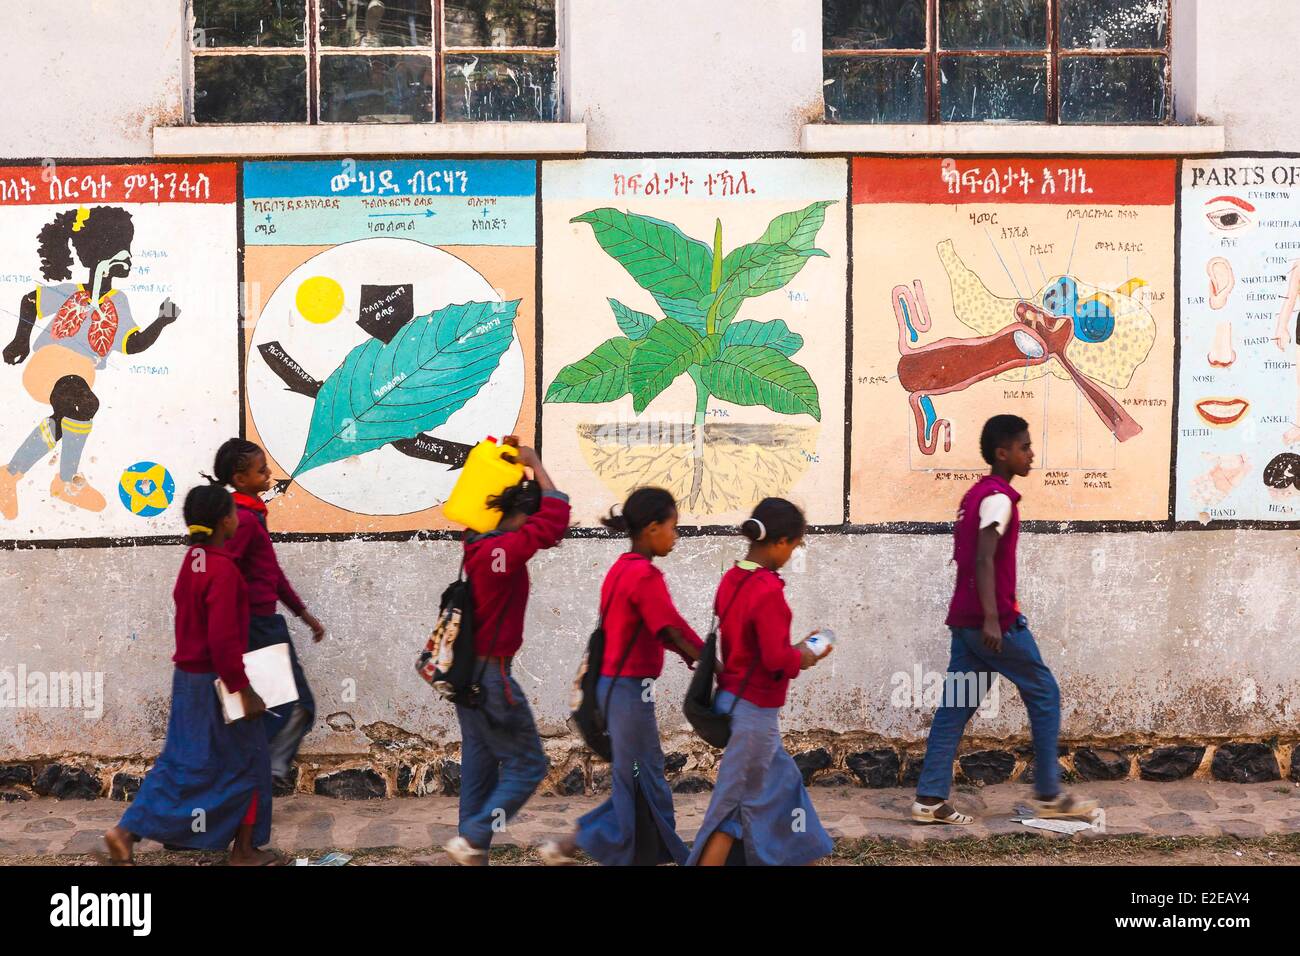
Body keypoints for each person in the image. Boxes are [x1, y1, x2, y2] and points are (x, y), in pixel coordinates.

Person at [911, 414, 1097, 825]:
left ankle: (929, 798)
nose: (1031, 454)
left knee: (955, 706)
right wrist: (995, 619)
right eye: (1024, 447)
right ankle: (1048, 794)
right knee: (1044, 692)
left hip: (965, 620)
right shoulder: (997, 498)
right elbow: (983, 557)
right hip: (991, 623)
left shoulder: (976, 494)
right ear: (1003, 453)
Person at [102, 483, 278, 865]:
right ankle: (244, 850)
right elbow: (222, 639)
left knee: (180, 762)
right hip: (216, 682)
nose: (237, 518)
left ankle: (125, 831)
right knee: (251, 761)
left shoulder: (193, 559)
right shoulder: (224, 570)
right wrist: (242, 689)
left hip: (187, 679)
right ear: (224, 521)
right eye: (233, 511)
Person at [540, 488, 703, 866]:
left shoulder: (621, 569)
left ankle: (658, 853)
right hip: (629, 694)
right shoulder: (643, 575)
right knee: (640, 781)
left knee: (641, 780)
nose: (675, 536)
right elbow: (671, 631)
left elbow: (668, 626)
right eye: (672, 527)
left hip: (615, 692)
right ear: (651, 528)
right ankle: (575, 843)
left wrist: (701, 657)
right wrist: (713, 666)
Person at [0, 205, 179, 518]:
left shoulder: (119, 302)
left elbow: (131, 343)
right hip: (49, 365)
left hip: (79, 376)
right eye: (123, 250)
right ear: (101, 254)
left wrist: (161, 322)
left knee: (72, 415)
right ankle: (65, 481)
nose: (129, 258)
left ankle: (12, 475)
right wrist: (21, 340)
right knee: (81, 401)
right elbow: (30, 300)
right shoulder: (71, 293)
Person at [687, 497, 834, 867]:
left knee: (787, 791)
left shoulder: (733, 577)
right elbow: (774, 659)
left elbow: (751, 647)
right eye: (795, 546)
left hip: (733, 703)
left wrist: (793, 648)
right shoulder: (768, 590)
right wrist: (806, 653)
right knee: (730, 809)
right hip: (755, 716)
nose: (793, 554)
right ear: (781, 542)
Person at [445, 438, 570, 865]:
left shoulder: (477, 543)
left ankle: (470, 849)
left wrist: (511, 470)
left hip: (467, 679)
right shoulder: (501, 552)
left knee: (480, 769)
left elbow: (544, 526)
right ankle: (477, 836)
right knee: (528, 767)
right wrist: (534, 462)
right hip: (493, 678)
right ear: (520, 515)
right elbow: (555, 522)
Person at [211, 438, 325, 788]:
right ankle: (263, 769)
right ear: (240, 478)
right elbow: (227, 570)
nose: (269, 474)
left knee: (284, 704)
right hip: (255, 626)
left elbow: (270, 574)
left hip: (264, 622)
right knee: (294, 705)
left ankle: (260, 769)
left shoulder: (251, 516)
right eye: (262, 471)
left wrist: (302, 614)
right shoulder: (242, 521)